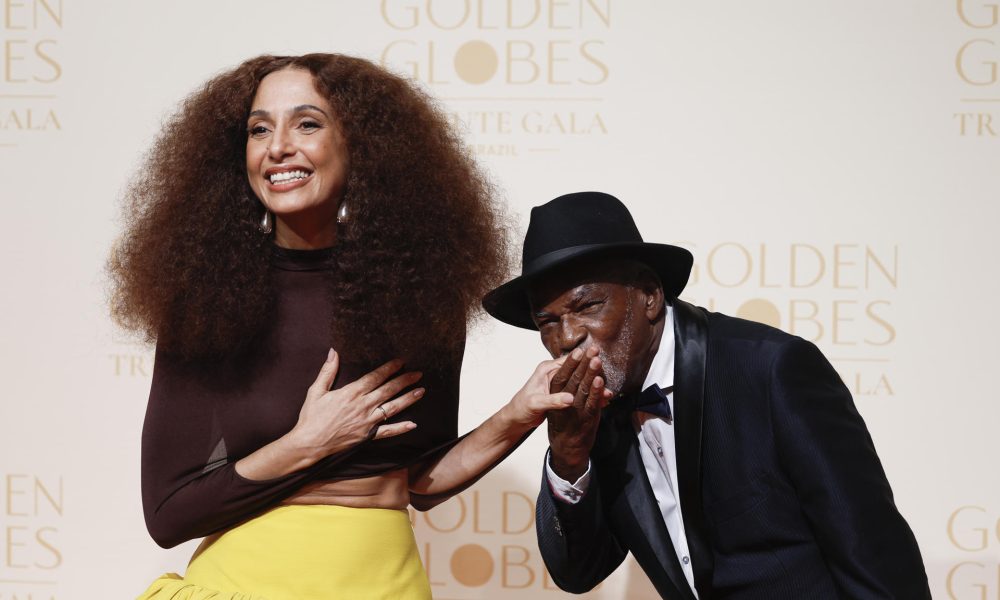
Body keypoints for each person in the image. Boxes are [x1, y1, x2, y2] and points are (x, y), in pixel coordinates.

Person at [110, 54, 574, 600]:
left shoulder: (420, 290)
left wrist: (518, 414)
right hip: (246, 584)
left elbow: (418, 481)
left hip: (385, 583)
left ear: (361, 144)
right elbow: (167, 515)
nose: (278, 146)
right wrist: (308, 443)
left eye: (307, 123)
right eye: (259, 129)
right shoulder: (207, 297)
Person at [482, 191, 932, 599]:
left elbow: (872, 554)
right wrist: (569, 457)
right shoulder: (591, 413)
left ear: (650, 295)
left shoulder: (771, 370)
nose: (567, 337)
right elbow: (578, 574)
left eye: (587, 306)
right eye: (547, 322)